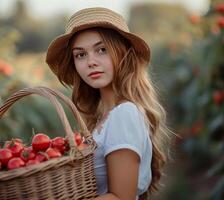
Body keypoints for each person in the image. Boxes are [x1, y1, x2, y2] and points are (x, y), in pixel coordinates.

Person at [46, 7, 173, 200]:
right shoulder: (102, 117)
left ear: (122, 53)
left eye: (102, 50)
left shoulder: (124, 114)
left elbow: (121, 197)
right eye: (80, 54)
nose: (91, 62)